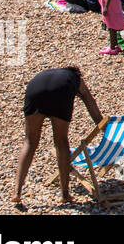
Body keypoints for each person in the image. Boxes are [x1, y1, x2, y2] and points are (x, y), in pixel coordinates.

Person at [14, 66, 104, 208]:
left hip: (34, 89)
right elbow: (89, 101)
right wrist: (102, 125)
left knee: (30, 141)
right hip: (60, 92)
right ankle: (64, 194)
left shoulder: (47, 73)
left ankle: (17, 192)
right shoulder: (75, 77)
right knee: (61, 142)